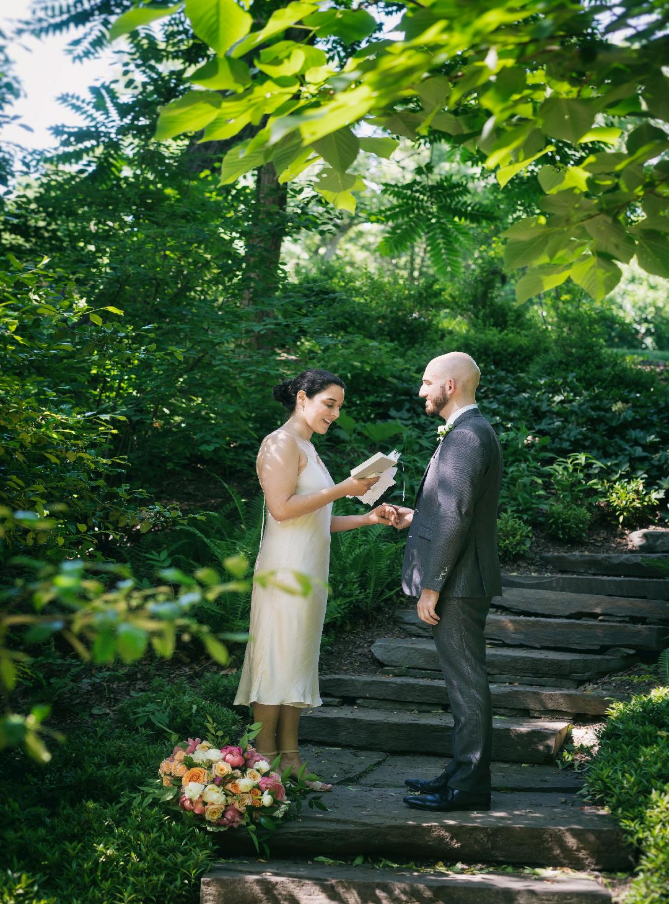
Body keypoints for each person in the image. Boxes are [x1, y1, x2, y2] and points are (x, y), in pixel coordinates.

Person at [234, 368, 397, 791]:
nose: (336, 414)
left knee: (297, 664)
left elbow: (317, 519)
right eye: (330, 404)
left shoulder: (306, 445)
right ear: (302, 398)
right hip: (284, 571)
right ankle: (261, 767)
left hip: (309, 571)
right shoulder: (280, 443)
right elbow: (283, 509)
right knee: (275, 663)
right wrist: (344, 488)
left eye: (340, 406)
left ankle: (291, 761)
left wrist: (367, 516)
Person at [390, 352, 503, 812]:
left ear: (450, 385)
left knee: (466, 683)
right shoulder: (471, 431)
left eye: (426, 382)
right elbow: (455, 512)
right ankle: (457, 774)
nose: (421, 391)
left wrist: (432, 584)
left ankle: (469, 786)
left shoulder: (466, 436)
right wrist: (415, 519)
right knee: (463, 682)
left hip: (457, 583)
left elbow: (457, 515)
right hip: (461, 576)